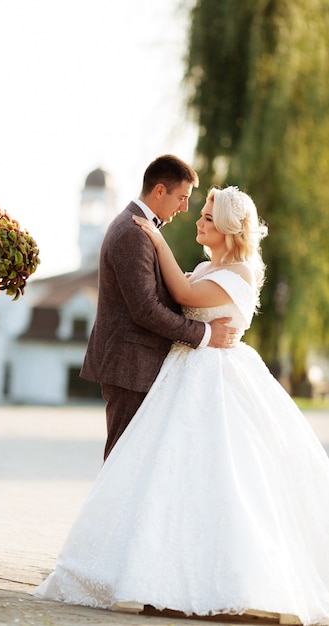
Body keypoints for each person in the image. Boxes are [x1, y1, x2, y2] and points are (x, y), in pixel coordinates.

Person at [35, 186, 329, 625]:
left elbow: (185, 296)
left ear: (229, 227)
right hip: (186, 372)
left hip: (218, 377)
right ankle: (152, 571)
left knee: (223, 473)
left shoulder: (238, 274)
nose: (198, 221)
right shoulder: (209, 265)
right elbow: (179, 294)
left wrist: (156, 241)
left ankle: (228, 582)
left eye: (207, 218)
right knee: (170, 473)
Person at [80, 154, 238, 459]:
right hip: (131, 367)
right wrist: (205, 334)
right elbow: (145, 310)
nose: (184, 208)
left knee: (134, 462)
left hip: (137, 366)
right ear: (160, 191)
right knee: (122, 461)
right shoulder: (131, 233)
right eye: (182, 197)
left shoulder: (139, 228)